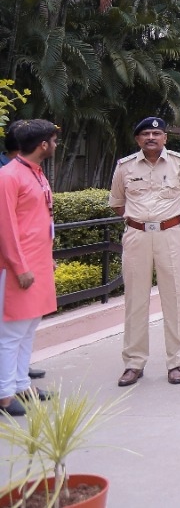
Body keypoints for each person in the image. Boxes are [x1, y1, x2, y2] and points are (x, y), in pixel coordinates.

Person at [110, 117, 180, 387]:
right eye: (146, 134)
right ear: (138, 139)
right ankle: (134, 363)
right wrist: (140, 220)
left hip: (170, 235)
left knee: (174, 297)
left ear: (165, 137)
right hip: (137, 235)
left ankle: (175, 362)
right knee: (135, 300)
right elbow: (118, 203)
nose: (151, 137)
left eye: (157, 133)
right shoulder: (124, 167)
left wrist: (172, 219)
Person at [0, 120, 59, 416]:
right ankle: (4, 394)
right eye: (53, 140)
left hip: (37, 262)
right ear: (43, 145)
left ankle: (22, 385)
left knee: (28, 328)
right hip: (17, 267)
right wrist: (19, 266)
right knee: (11, 332)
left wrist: (47, 259)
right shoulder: (9, 176)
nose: (55, 145)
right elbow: (6, 228)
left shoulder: (34, 173)